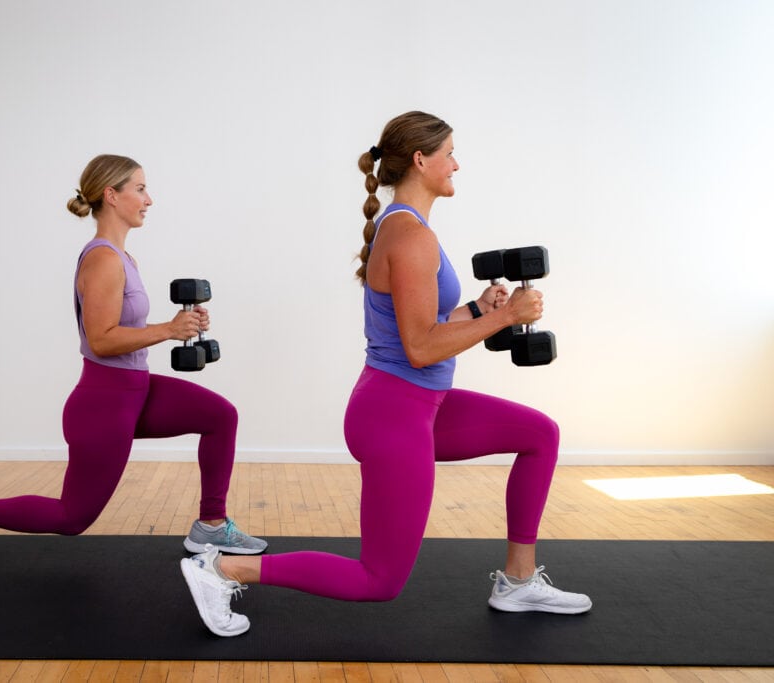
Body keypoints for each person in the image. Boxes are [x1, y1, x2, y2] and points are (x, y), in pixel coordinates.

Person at [180, 111, 590, 637]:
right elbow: (420, 348)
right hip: (395, 414)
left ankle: (518, 580)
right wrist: (506, 317)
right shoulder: (409, 236)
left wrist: (475, 311)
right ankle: (219, 568)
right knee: (379, 579)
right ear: (420, 160)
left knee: (539, 434)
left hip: (420, 405)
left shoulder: (412, 229)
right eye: (449, 154)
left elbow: (422, 327)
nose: (457, 164)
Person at [0, 154, 267, 567]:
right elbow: (101, 340)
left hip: (136, 391)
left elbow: (124, 329)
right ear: (111, 195)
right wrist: (169, 330)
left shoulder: (124, 258)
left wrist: (184, 323)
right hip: (105, 403)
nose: (149, 199)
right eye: (140, 189)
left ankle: (211, 523)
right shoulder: (102, 259)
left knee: (219, 416)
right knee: (72, 517)